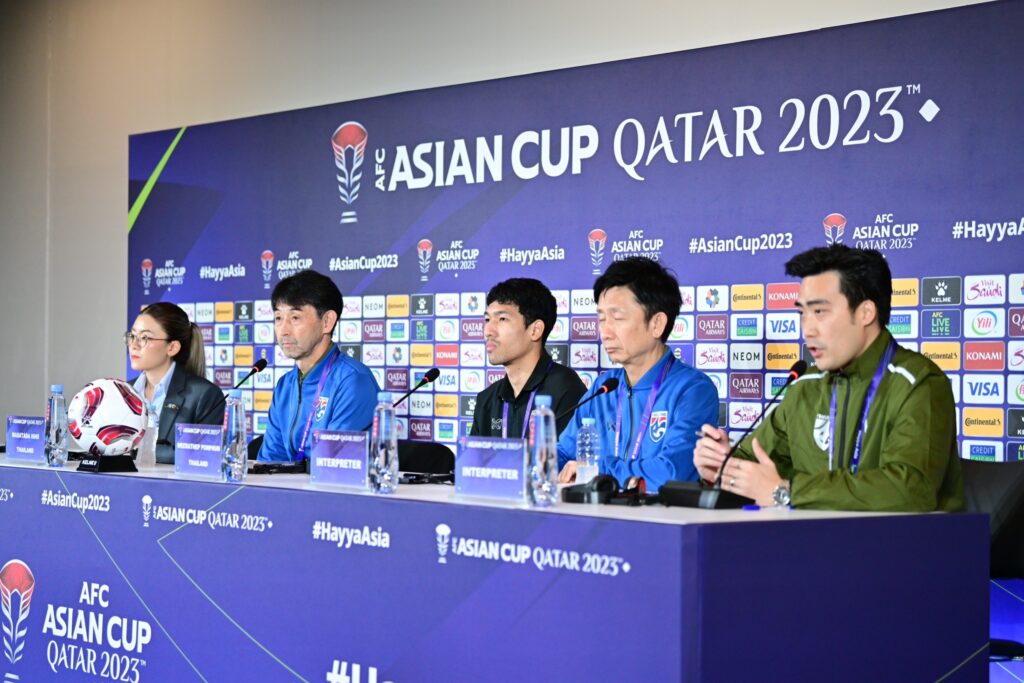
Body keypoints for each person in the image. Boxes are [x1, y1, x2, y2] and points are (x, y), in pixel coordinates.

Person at [693, 244, 964, 511]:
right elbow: (756, 464)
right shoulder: (805, 387)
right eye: (802, 313)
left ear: (866, 313)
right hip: (815, 538)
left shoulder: (918, 383)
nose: (808, 329)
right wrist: (723, 466)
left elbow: (910, 489)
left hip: (898, 540)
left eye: (819, 312)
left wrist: (786, 492)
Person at [557, 257, 718, 492]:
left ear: (657, 324)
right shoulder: (604, 387)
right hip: (596, 514)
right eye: (601, 318)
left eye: (617, 318)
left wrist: (598, 469)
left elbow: (671, 473)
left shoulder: (693, 390)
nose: (605, 332)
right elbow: (563, 454)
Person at [259, 270, 380, 461]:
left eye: (295, 318)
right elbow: (270, 461)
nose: (283, 331)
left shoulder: (353, 381)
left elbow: (333, 465)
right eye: (278, 318)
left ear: (327, 322)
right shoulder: (285, 385)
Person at [470, 278, 586, 438]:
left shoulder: (566, 390)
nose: (488, 331)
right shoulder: (486, 400)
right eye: (487, 320)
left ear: (535, 330)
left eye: (502, 319)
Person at [128, 302, 225, 464]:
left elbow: (202, 455)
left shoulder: (204, 395)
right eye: (132, 336)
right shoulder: (123, 391)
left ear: (172, 347)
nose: (134, 345)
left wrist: (133, 450)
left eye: (144, 338)